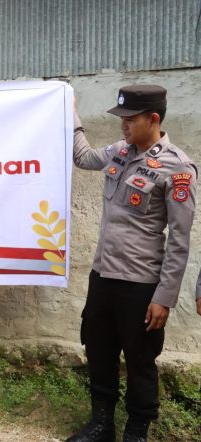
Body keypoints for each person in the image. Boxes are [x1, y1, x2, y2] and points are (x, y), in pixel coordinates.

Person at [68, 85, 197, 442]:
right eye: (121, 119)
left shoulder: (178, 167)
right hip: (103, 276)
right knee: (99, 350)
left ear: (153, 119)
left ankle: (136, 431)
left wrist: (164, 297)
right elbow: (83, 157)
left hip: (141, 286)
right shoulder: (119, 152)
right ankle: (101, 424)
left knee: (140, 360)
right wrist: (70, 111)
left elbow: (180, 241)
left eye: (130, 119)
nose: (123, 126)